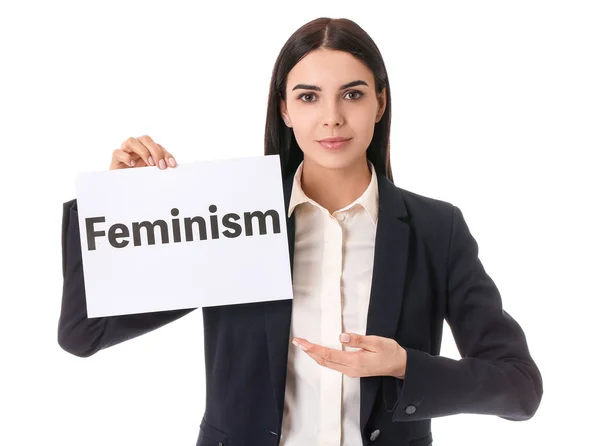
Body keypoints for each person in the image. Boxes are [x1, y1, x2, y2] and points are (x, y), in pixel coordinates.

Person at [58, 17, 543, 446]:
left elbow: (519, 387)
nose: (331, 116)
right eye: (308, 97)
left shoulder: (437, 230)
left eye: (352, 94)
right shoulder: (234, 219)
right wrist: (112, 207)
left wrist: (403, 365)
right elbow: (85, 333)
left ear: (379, 102)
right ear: (286, 110)